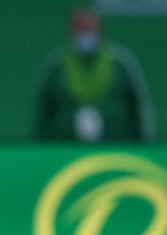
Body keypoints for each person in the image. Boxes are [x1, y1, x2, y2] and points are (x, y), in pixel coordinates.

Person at [35, 7, 154, 142]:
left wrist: (145, 143)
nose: (85, 34)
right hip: (66, 147)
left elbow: (138, 110)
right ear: (71, 31)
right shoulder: (56, 67)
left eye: (90, 29)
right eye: (80, 29)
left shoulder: (120, 63)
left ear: (100, 30)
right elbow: (44, 116)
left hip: (116, 146)